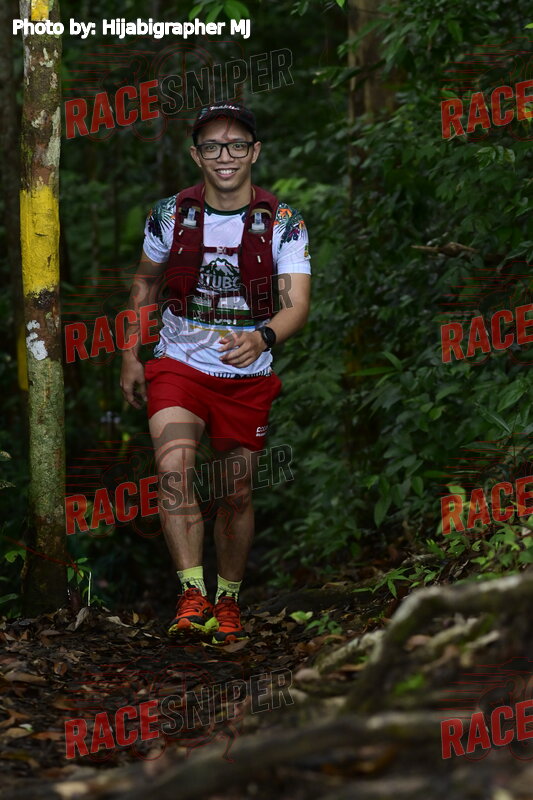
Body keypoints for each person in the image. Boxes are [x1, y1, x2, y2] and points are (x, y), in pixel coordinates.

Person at [120, 101, 311, 644]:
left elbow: (296, 304)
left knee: (237, 490)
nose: (224, 156)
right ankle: (191, 594)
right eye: (211, 146)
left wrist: (263, 336)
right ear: (196, 155)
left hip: (246, 374)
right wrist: (131, 354)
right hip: (178, 364)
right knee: (174, 469)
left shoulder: (283, 222)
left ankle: (227, 599)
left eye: (235, 145)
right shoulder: (170, 214)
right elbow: (144, 285)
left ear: (254, 152)